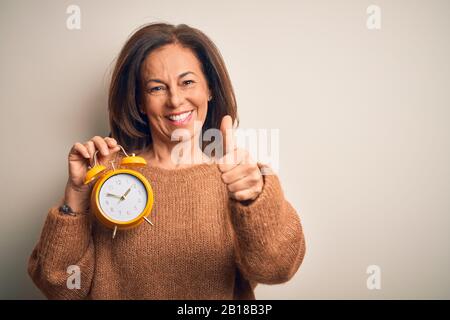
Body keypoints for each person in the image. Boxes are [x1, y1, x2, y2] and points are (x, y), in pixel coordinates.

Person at [28, 22, 306, 299]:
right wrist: (76, 195)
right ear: (139, 102)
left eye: (187, 82)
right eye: (157, 88)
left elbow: (278, 269)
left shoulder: (240, 180)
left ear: (209, 88)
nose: (175, 100)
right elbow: (60, 286)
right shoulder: (108, 180)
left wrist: (255, 200)